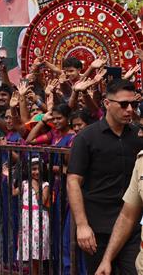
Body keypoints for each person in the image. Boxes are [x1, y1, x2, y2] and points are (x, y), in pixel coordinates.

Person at [67, 79, 143, 274]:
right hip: (96, 229)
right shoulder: (86, 137)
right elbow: (73, 181)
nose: (129, 110)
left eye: (133, 104)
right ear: (107, 104)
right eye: (123, 104)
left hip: (131, 227)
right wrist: (82, 225)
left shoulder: (138, 136)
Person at [13, 157, 51, 273]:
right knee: (29, 250)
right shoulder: (25, 184)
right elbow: (14, 192)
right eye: (34, 169)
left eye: (39, 169)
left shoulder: (45, 185)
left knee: (37, 250)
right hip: (27, 219)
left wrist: (35, 186)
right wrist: (8, 176)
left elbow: (42, 201)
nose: (37, 172)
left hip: (39, 219)